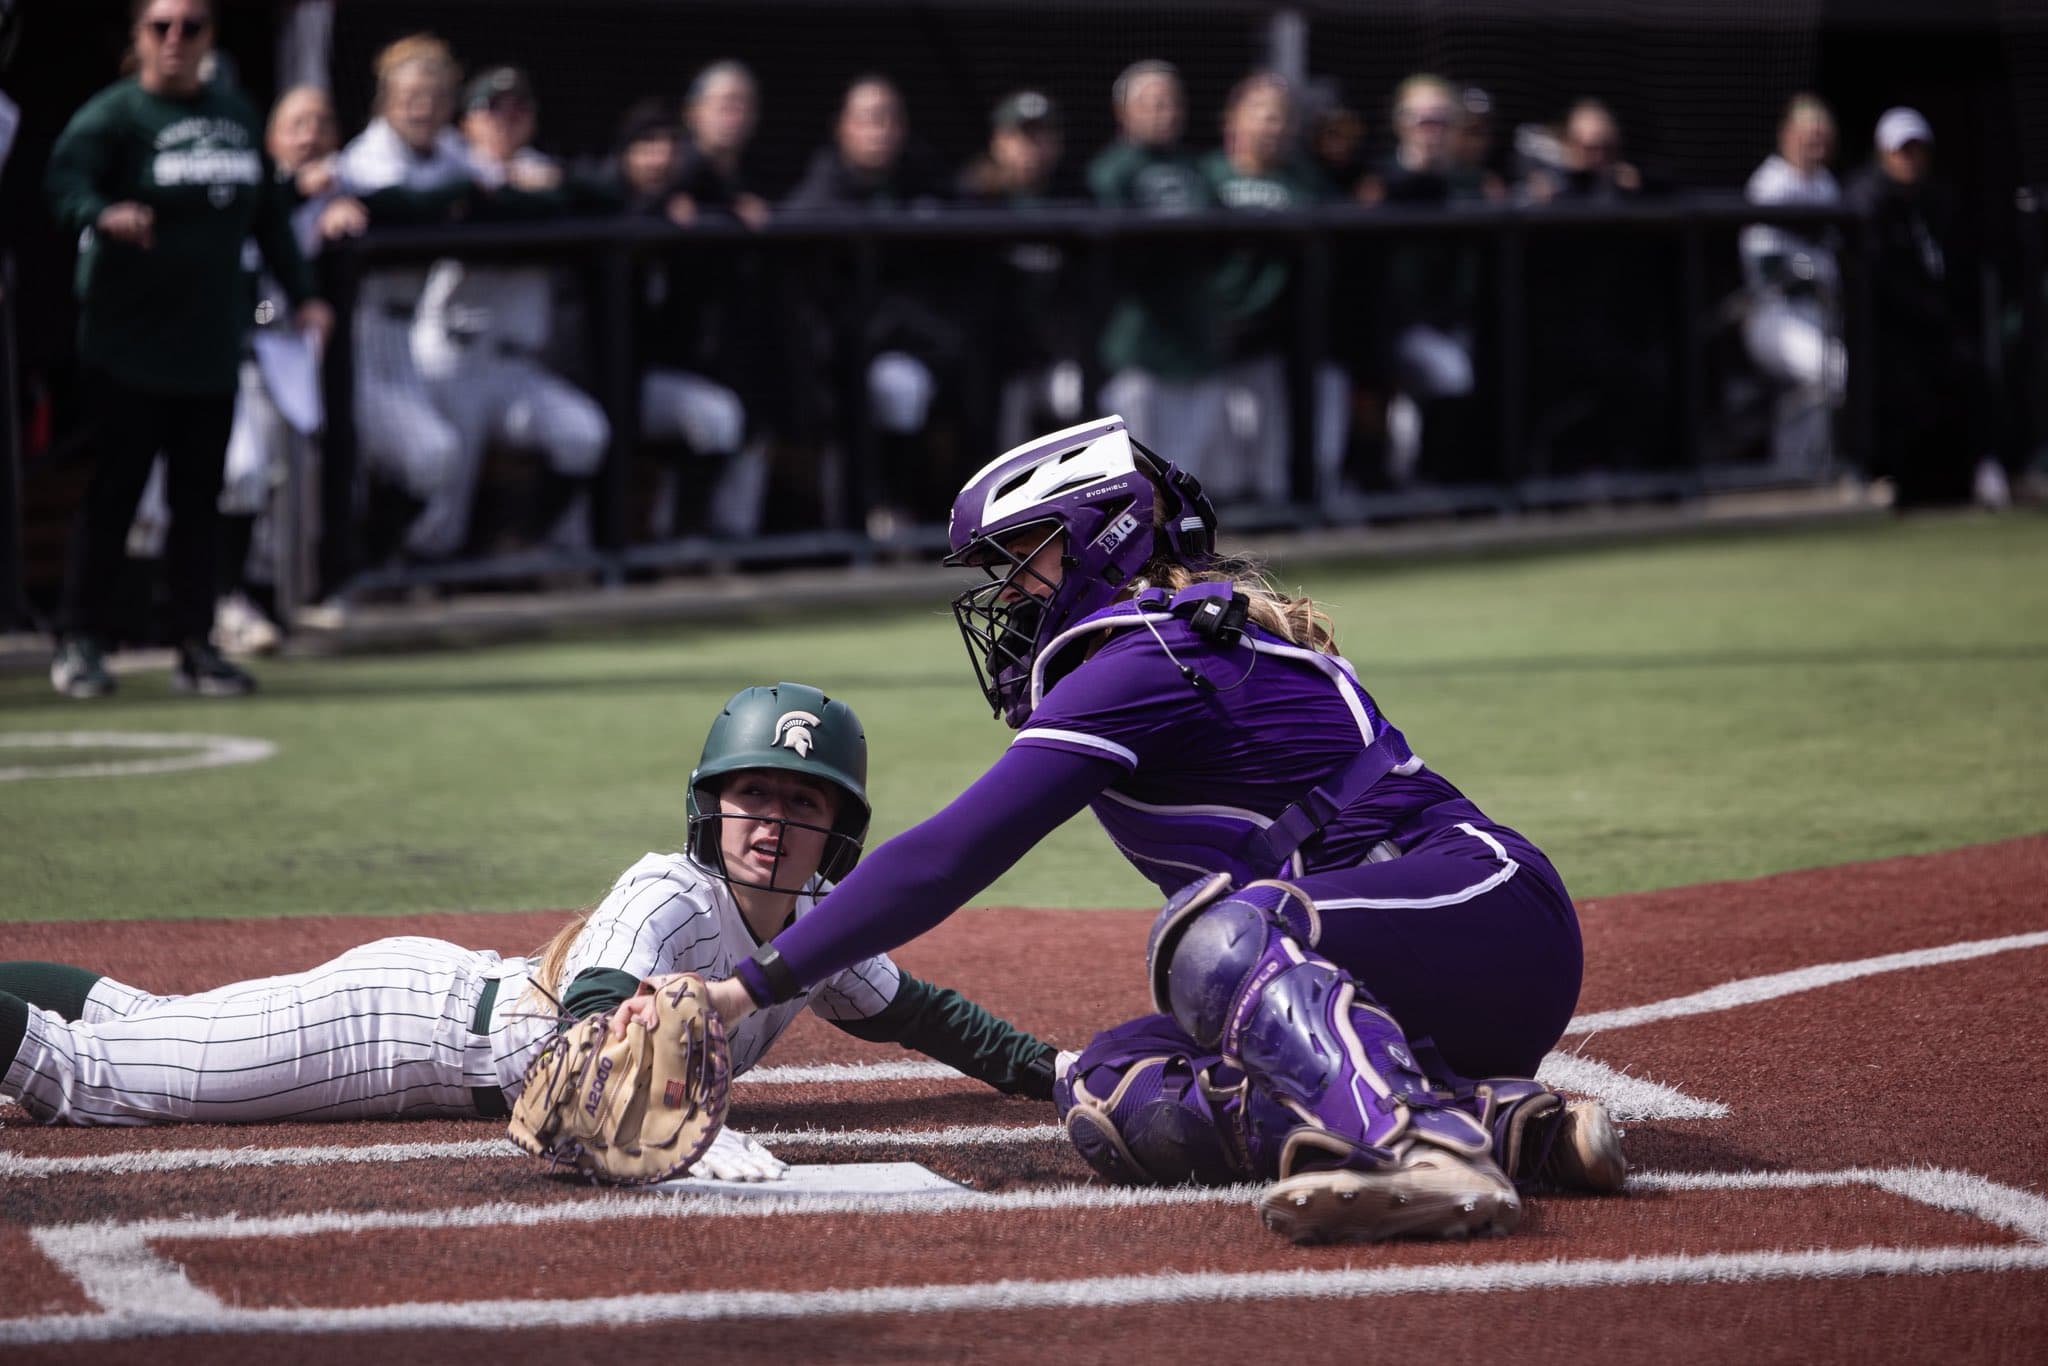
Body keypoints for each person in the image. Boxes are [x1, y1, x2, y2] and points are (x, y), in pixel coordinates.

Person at [672, 417, 1625, 1244]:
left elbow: (948, 855)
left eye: (1026, 558)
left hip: (1488, 911)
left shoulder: (1148, 656)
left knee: (1212, 937)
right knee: (1109, 1090)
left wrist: (741, 989)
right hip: (1396, 966)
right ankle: (1507, 1128)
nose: (1009, 595)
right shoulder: (1158, 643)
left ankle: (1419, 1150)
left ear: (1105, 536)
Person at [0, 682, 1058, 1180]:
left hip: (438, 1020)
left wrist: (1059, 1074)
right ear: (713, 805)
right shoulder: (668, 890)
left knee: (141, 1019)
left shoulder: (818, 926)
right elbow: (589, 1030)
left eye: (802, 802)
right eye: (754, 795)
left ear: (839, 829)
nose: (772, 822)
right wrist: (682, 1131)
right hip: (396, 1030)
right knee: (93, 1081)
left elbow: (921, 1015)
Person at [42, 0, 333, 699]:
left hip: (211, 344)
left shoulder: (234, 114)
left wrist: (302, 293)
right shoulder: (114, 115)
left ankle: (195, 644)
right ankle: (82, 640)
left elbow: (268, 217)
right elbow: (64, 185)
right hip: (128, 345)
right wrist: (101, 213)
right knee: (115, 496)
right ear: (138, 36)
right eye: (161, 26)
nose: (176, 39)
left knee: (201, 502)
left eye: (192, 26)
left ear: (210, 37)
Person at [784, 75, 962, 533]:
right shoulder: (819, 191)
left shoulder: (922, 183)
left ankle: (895, 511)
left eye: (889, 119)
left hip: (896, 350)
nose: (879, 130)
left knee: (902, 387)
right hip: (824, 363)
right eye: (868, 119)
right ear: (842, 127)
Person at [1088, 61, 1233, 496]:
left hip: (1196, 342)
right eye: (1152, 104)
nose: (1164, 113)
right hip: (1137, 345)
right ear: (1123, 111)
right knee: (1139, 477)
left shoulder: (1199, 170)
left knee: (1188, 478)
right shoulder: (1110, 170)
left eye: (1171, 103)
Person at [1844, 107, 1997, 509]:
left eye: (1917, 150)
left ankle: (1979, 474)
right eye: (1902, 151)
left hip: (1935, 328)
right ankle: (1883, 479)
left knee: (1971, 370)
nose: (1910, 159)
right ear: (1883, 153)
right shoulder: (1867, 199)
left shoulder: (1939, 201)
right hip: (1888, 331)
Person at [1199, 71, 1339, 506]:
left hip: (1272, 340)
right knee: (1215, 469)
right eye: (1262, 113)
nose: (1272, 125)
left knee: (1268, 467)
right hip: (1207, 338)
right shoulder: (1205, 175)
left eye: (1281, 117)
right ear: (1233, 118)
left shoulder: (1304, 182)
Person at [955, 90, 1091, 454]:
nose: (1033, 148)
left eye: (1043, 136)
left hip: (1059, 359)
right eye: (1022, 136)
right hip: (997, 364)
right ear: (998, 143)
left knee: (1079, 398)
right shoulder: (973, 197)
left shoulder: (1076, 196)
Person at [1740, 94, 1847, 480]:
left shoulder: (1825, 184)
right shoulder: (1770, 183)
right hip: (1775, 316)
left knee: (1829, 379)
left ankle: (1800, 471)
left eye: (1822, 136)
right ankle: (1795, 470)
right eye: (1808, 135)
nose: (1816, 144)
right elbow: (1768, 266)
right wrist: (1813, 276)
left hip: (1821, 314)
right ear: (1786, 135)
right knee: (1834, 370)